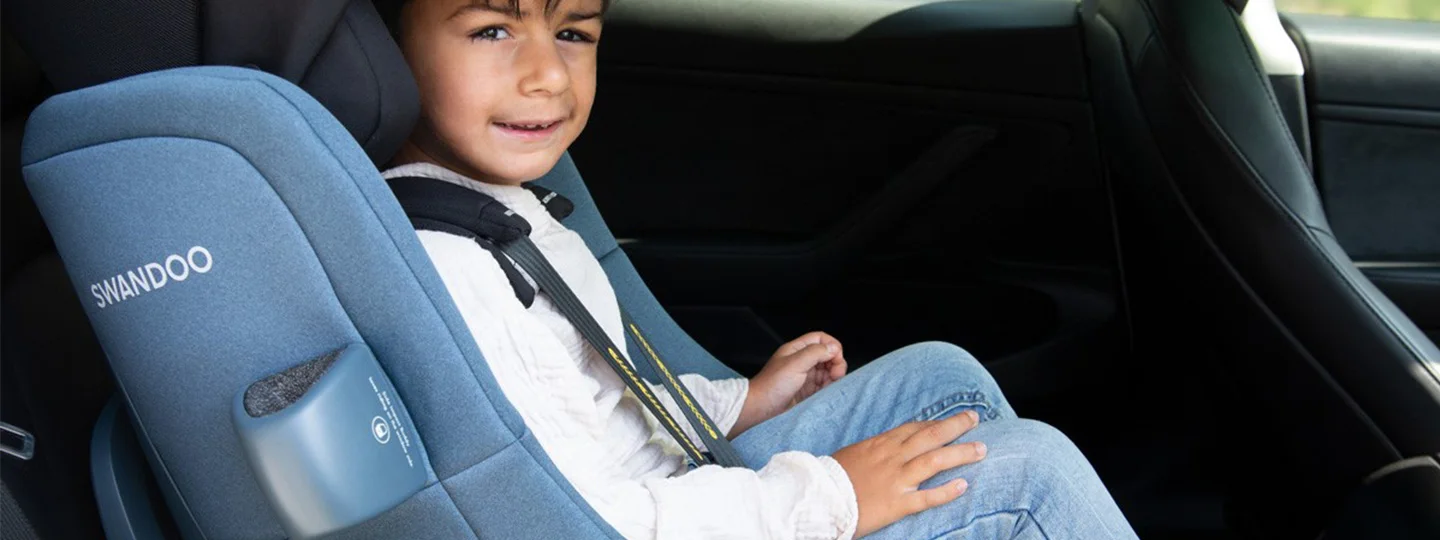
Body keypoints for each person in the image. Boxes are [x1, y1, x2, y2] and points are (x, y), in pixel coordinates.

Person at [380, 0, 1140, 538]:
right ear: (382, 55)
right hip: (651, 519)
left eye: (574, 30)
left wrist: (744, 404)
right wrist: (837, 496)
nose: (547, 72)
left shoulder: (498, 205)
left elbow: (612, 408)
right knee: (1032, 478)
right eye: (491, 29)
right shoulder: (454, 266)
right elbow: (579, 517)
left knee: (940, 377)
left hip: (678, 491)